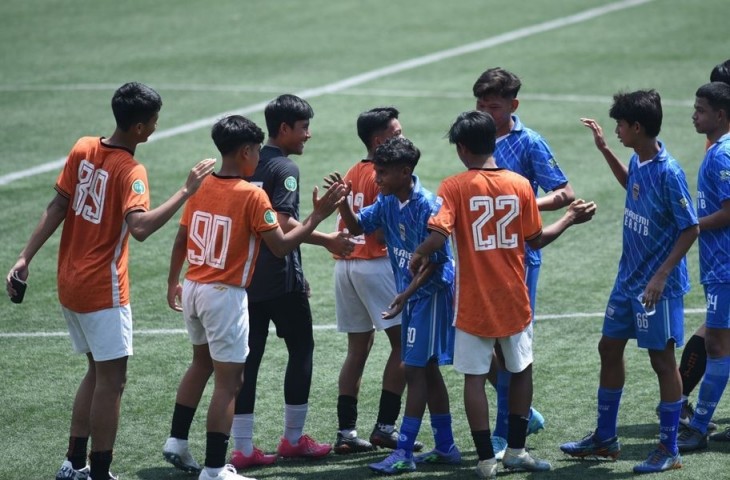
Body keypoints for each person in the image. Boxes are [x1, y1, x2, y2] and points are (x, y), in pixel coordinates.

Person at [4, 82, 216, 480]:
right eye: (153, 121)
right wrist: (186, 191)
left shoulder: (84, 146)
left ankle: (74, 463)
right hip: (103, 288)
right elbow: (140, 228)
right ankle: (100, 471)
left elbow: (58, 205)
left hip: (68, 280)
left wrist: (24, 256)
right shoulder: (131, 170)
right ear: (138, 127)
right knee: (113, 381)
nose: (156, 126)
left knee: (96, 372)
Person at [409, 110, 595, 479]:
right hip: (514, 296)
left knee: (474, 378)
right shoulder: (520, 185)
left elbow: (440, 233)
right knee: (521, 370)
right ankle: (516, 451)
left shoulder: (454, 186)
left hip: (473, 301)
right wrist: (570, 219)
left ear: (462, 148)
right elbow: (536, 239)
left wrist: (419, 251)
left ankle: (483, 461)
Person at [161, 115, 347, 480]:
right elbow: (279, 246)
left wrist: (172, 283)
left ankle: (176, 441)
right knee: (230, 383)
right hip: (224, 295)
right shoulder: (251, 194)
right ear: (246, 150)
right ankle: (215, 469)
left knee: (200, 365)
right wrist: (318, 216)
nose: (258, 157)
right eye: (257, 150)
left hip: (194, 285)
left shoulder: (200, 186)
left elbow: (181, 238)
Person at [559, 90, 699, 474]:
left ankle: (669, 449)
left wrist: (660, 275)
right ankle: (605, 438)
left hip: (657, 287)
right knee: (609, 348)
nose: (617, 129)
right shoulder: (640, 159)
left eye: (620, 125)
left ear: (637, 127)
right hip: (627, 280)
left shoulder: (669, 172)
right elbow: (633, 186)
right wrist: (605, 150)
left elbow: (690, 228)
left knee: (661, 361)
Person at [229, 94, 352, 469]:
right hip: (279, 280)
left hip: (244, 278)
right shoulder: (284, 168)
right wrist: (327, 235)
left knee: (247, 361)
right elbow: (282, 225)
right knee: (301, 349)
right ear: (284, 129)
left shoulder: (245, 162)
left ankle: (243, 448)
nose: (308, 135)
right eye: (303, 128)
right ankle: (293, 440)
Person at [335, 136, 459, 475]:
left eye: (383, 173)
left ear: (406, 172)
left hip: (430, 295)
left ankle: (403, 450)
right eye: (376, 171)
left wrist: (404, 296)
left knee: (416, 370)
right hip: (412, 297)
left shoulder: (428, 205)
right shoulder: (389, 199)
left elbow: (436, 261)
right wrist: (342, 203)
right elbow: (358, 226)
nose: (376, 179)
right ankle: (446, 446)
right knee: (428, 370)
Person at [472, 67, 576, 456]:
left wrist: (522, 206)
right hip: (481, 258)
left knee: (509, 345)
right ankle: (523, 412)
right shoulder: (474, 136)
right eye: (480, 104)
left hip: (520, 258)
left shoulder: (529, 142)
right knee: (484, 345)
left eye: (493, 106)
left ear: (513, 105)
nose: (484, 111)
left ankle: (503, 432)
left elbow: (565, 192)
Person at [328, 107, 422, 454]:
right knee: (402, 345)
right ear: (380, 140)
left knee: (358, 348)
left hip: (345, 268)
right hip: (376, 265)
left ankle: (346, 432)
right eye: (397, 133)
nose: (403, 135)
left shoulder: (354, 170)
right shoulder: (385, 174)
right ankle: (385, 426)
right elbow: (382, 234)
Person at [674, 58, 730, 430]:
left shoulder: (722, 152)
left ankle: (684, 412)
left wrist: (691, 226)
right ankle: (681, 405)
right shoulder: (719, 148)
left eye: (701, 110)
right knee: (715, 335)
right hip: (718, 261)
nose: (694, 116)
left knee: (716, 338)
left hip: (723, 262)